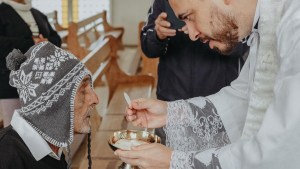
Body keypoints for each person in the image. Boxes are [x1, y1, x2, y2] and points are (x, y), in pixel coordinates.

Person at [115, 0, 300, 168]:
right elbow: (244, 98)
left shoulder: (294, 23)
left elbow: (282, 148)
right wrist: (172, 113)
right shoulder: (268, 18)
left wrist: (175, 162)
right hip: (174, 86)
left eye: (189, 17)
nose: (192, 34)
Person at [141, 0, 248, 144]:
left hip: (219, 104)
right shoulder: (163, 2)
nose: (192, 34)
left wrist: (214, 33)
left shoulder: (229, 5)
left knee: (215, 161)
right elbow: (148, 49)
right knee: (168, 160)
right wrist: (157, 34)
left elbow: (243, 48)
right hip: (171, 100)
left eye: (189, 16)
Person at [0, 41, 99, 169]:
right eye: (82, 90)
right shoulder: (6, 158)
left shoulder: (52, 147)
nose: (95, 99)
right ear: (53, 104)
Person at [0, 0, 62, 127]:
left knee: (41, 125)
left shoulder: (37, 13)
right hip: (11, 79)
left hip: (42, 77)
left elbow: (56, 38)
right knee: (14, 127)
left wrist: (46, 42)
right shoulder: (2, 12)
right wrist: (31, 43)